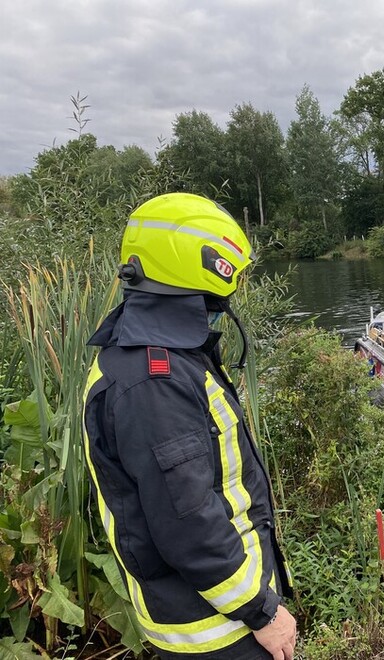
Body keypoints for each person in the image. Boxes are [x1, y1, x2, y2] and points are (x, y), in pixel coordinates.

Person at [82, 193, 297, 660]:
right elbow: (188, 521)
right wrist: (262, 611)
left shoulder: (152, 353)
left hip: (220, 612)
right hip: (219, 630)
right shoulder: (152, 381)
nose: (228, 297)